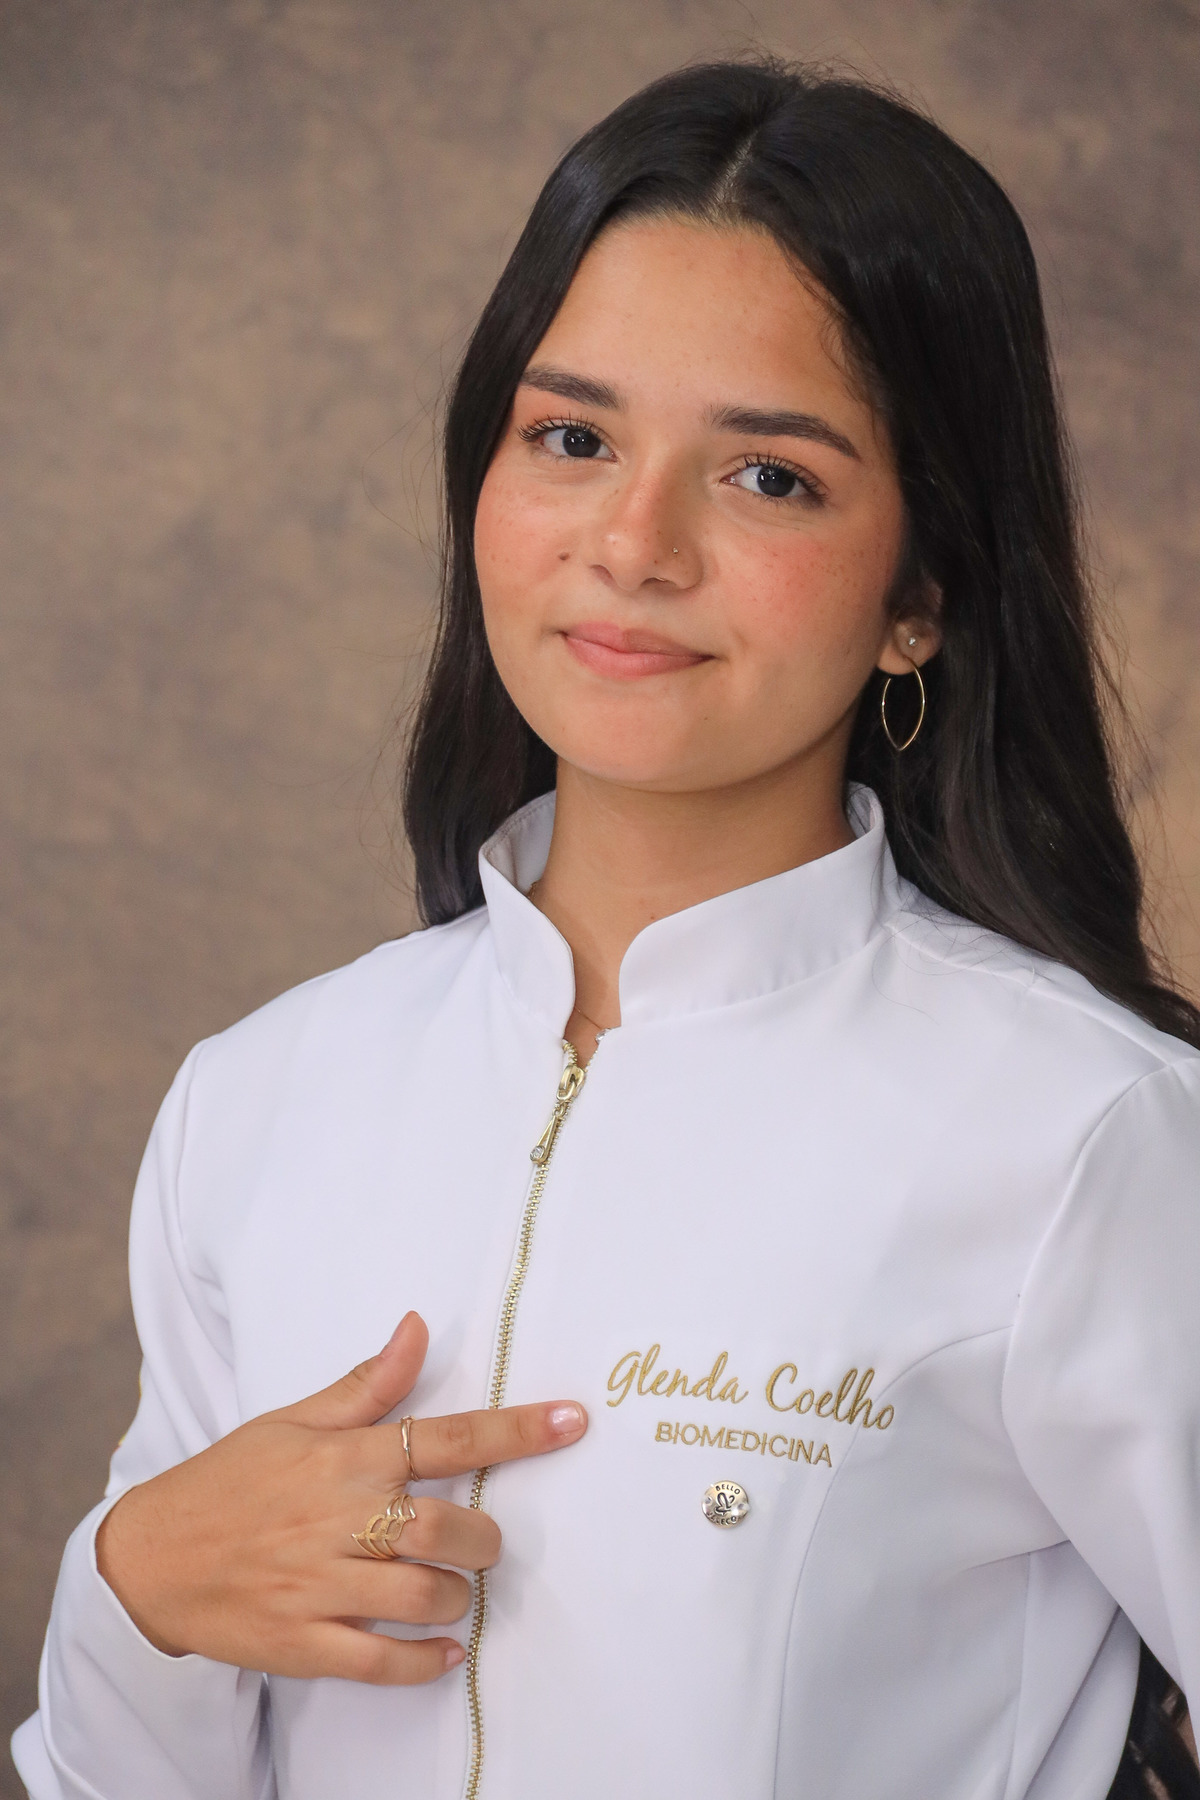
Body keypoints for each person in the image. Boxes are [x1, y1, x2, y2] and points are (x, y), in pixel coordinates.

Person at [12, 56, 1200, 1800]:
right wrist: (132, 1592)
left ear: (922, 593)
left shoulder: (1087, 1137)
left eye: (769, 476)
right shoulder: (262, 1099)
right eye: (572, 440)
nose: (633, 544)